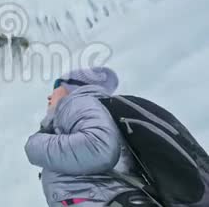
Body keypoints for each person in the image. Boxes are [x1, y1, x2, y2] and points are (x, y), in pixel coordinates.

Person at [25, 67, 151, 207]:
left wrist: (35, 144)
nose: (49, 96)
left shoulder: (77, 102)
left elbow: (99, 148)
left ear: (74, 86)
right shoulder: (84, 113)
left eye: (56, 85)